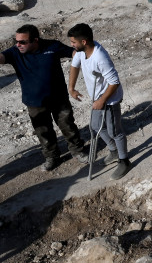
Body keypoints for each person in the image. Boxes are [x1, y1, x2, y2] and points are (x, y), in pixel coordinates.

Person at [0, 24, 87, 171]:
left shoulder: (52, 45)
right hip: (34, 102)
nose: (18, 45)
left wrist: (86, 54)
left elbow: (73, 53)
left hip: (58, 98)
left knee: (67, 125)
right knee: (43, 131)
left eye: (23, 42)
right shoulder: (15, 52)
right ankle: (52, 157)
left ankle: (77, 151)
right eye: (17, 41)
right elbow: (1, 58)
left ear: (35, 40)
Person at [67, 23, 132, 180]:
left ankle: (124, 161)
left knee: (115, 131)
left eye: (73, 42)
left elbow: (114, 81)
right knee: (95, 126)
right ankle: (114, 151)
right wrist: (71, 88)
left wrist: (102, 100)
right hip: (98, 97)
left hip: (110, 99)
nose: (71, 45)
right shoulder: (80, 52)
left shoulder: (100, 57)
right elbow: (74, 66)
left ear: (84, 42)